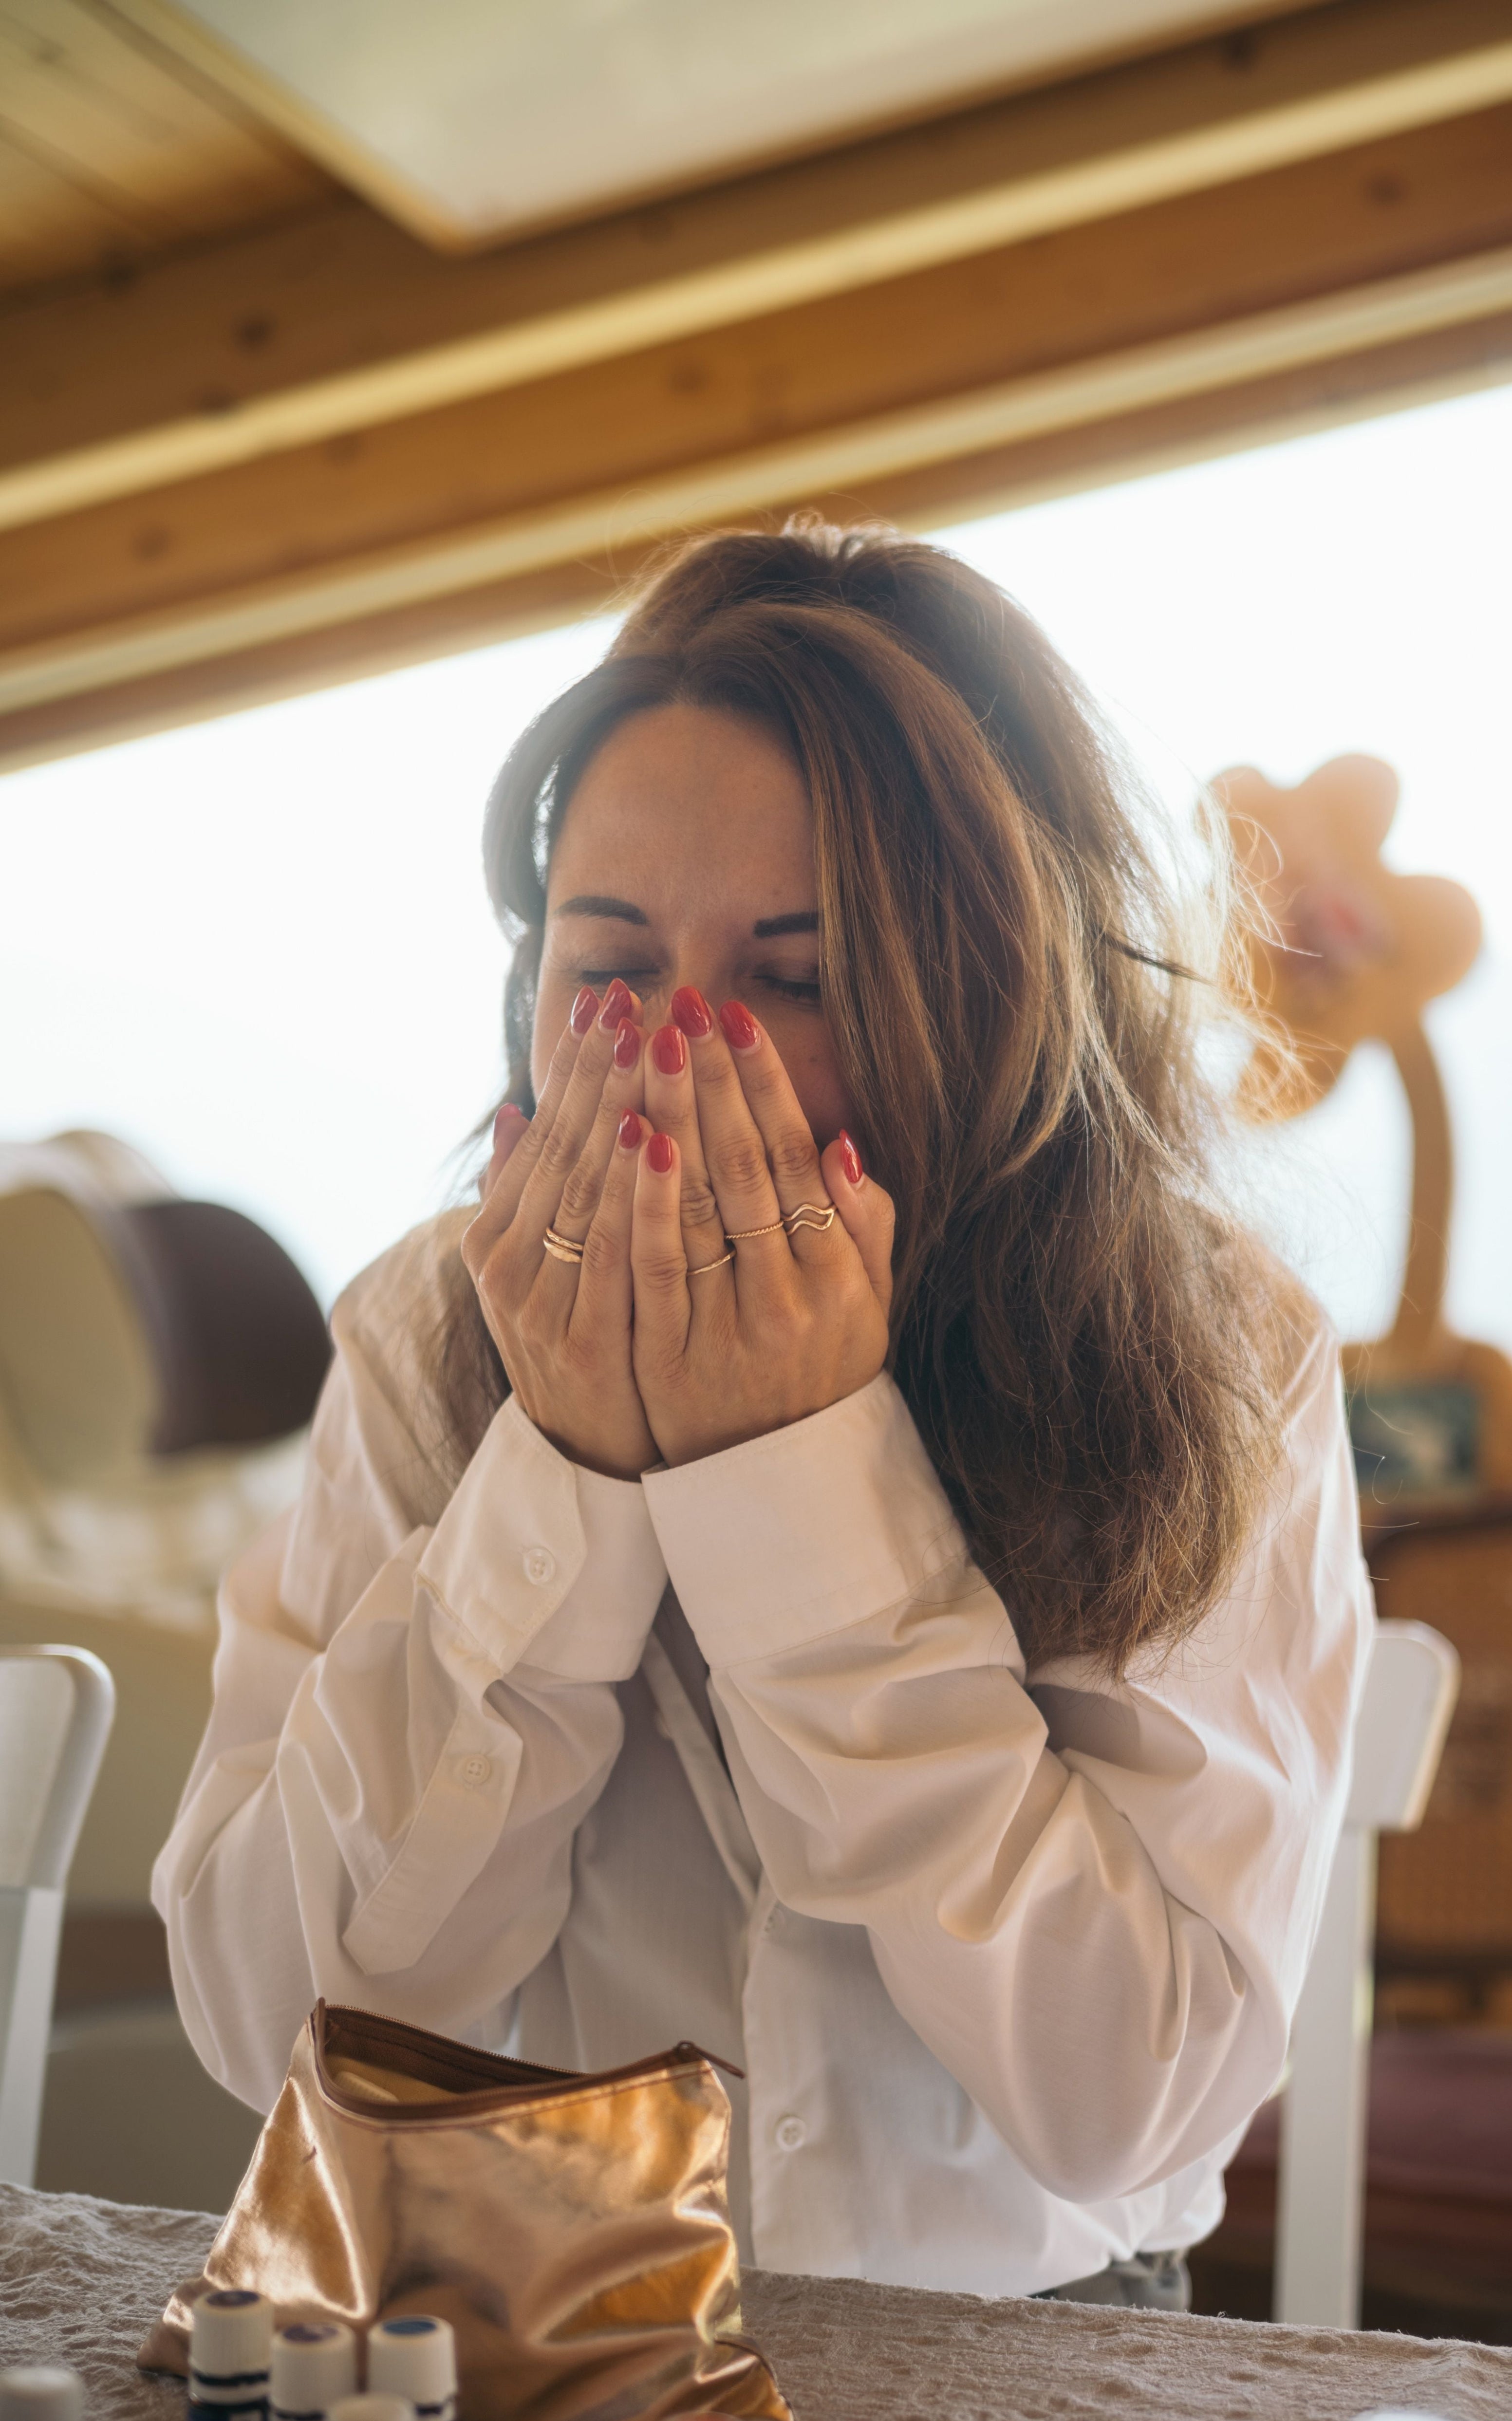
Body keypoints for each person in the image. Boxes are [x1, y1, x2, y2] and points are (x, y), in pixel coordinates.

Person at [154, 521, 1371, 2305]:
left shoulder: (1214, 1351)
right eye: (608, 964)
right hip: (527, 2325)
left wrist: (804, 1487)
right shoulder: (434, 1323)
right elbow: (280, 2019)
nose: (674, 1057)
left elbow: (1136, 2097)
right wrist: (558, 1474)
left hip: (1030, 2355)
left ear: (994, 993)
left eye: (797, 978)